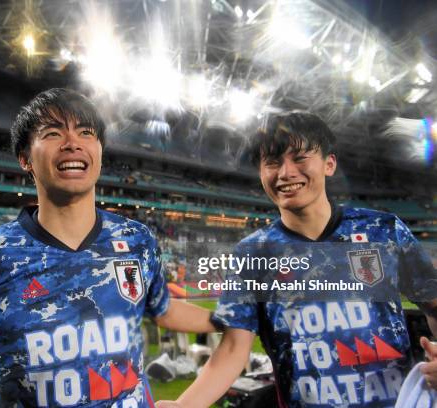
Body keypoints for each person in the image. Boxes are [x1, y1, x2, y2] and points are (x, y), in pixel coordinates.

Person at [0, 88, 216, 407]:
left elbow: (163, 309)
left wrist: (228, 318)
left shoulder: (137, 240)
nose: (72, 142)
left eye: (86, 132)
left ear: (100, 152)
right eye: (52, 132)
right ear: (25, 159)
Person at [157, 111, 437, 407]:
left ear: (329, 164)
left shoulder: (383, 231)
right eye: (272, 162)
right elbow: (233, 348)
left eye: (300, 158)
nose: (286, 172)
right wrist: (184, 405)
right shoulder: (253, 253)